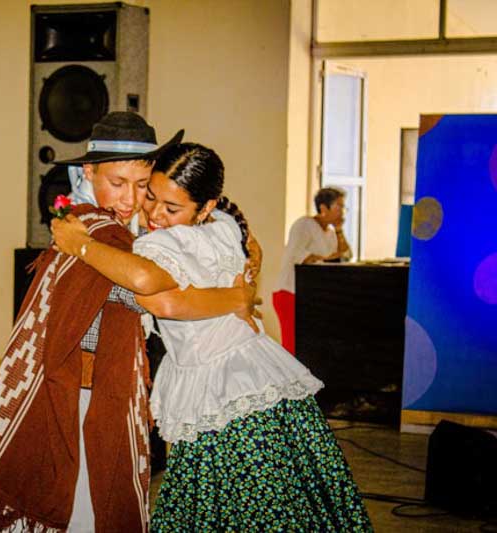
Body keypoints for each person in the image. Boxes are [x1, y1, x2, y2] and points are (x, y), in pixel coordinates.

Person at [51, 143, 372, 532]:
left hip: (223, 391)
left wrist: (79, 245)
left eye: (171, 208)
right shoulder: (224, 224)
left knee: (232, 506)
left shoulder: (163, 242)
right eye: (150, 197)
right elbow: (250, 249)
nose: (154, 213)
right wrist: (240, 293)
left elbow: (154, 292)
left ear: (203, 207)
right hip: (256, 379)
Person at [0, 113, 260, 533]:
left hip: (93, 389)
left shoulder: (104, 228)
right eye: (117, 183)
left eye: (142, 187)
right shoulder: (103, 235)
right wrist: (237, 295)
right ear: (88, 171)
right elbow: (153, 295)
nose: (129, 199)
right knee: (85, 506)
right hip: (83, 396)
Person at [273, 187, 352, 354]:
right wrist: (327, 258)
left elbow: (345, 254)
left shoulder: (330, 233)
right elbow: (298, 255)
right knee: (292, 346)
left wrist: (338, 230)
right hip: (289, 292)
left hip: (311, 295)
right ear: (324, 208)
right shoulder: (304, 225)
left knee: (309, 348)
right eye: (339, 207)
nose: (342, 212)